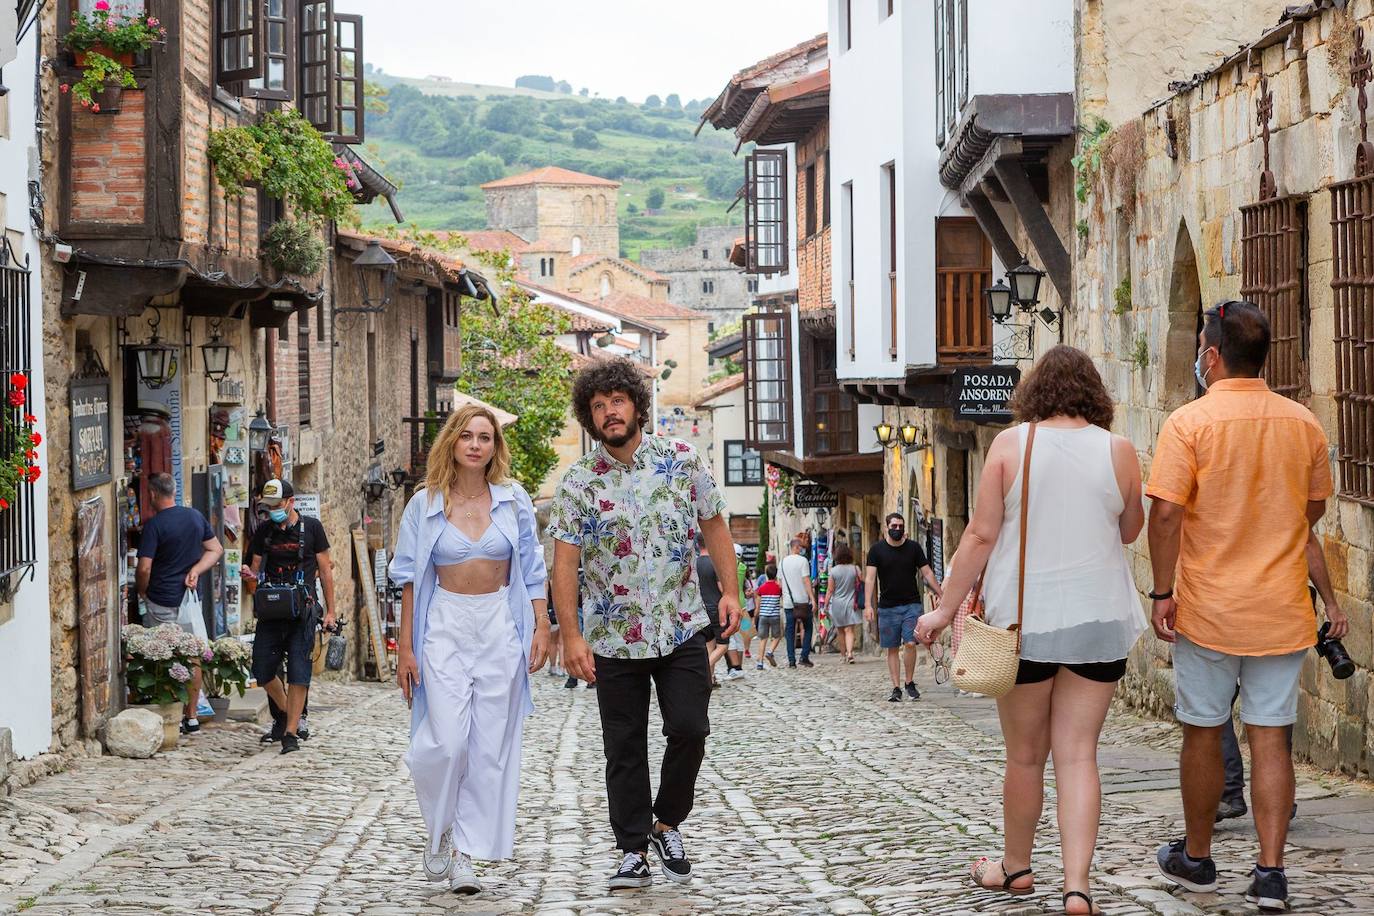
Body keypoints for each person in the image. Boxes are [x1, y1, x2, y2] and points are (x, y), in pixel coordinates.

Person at [917, 345, 1146, 916]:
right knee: (1078, 756)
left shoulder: (1010, 446)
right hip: (1097, 620)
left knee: (1025, 758)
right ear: (1094, 394)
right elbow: (1129, 530)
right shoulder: (1119, 451)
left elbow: (979, 536)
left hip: (1025, 624)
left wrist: (945, 611)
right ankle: (1078, 887)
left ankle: (1015, 868)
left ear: (1034, 393)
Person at [1146, 301, 1336, 913]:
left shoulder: (1188, 424)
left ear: (1211, 355)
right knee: (1272, 737)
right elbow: (1311, 512)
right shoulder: (1303, 424)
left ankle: (1198, 858)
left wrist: (1162, 589)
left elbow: (1168, 512)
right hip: (1280, 607)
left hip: (1209, 606)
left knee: (1202, 729)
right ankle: (1271, 872)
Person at [548, 357, 741, 891]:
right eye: (599, 407)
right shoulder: (579, 484)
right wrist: (572, 635)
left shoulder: (682, 460)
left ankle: (666, 822)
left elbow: (715, 525)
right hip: (613, 636)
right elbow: (565, 563)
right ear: (590, 419)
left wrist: (731, 590)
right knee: (623, 747)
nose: (610, 412)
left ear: (636, 404)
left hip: (680, 626)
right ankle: (632, 847)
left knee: (691, 728)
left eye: (618, 401)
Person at [390, 405, 550, 895]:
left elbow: (532, 568)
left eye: (485, 437)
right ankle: (437, 828)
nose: (476, 444)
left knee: (488, 748)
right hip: (444, 626)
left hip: (499, 624)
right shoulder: (425, 504)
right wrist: (405, 649)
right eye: (467, 436)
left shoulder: (513, 500)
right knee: (446, 742)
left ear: (494, 447)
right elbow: (411, 581)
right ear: (453, 443)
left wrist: (542, 625)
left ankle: (462, 854)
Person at [1218, 533, 1346, 824]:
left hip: (1225, 609)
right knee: (1273, 712)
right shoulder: (1286, 489)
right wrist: (1331, 604)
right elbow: (1308, 541)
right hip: (1279, 610)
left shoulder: (1215, 490)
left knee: (1214, 705)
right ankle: (1278, 799)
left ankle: (1228, 792)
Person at [245, 479, 336, 755]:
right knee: (262, 670)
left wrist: (331, 611)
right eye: (268, 506)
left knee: (299, 673)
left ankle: (291, 733)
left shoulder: (313, 529)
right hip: (272, 612)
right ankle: (286, 712)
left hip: (303, 612)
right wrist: (251, 579)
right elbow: (254, 569)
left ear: (290, 502)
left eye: (276, 505)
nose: (272, 510)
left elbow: (326, 571)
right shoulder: (264, 531)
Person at [135, 472, 222, 734]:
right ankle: (192, 716)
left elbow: (144, 568)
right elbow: (216, 549)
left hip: (162, 599)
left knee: (164, 655)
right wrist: (196, 570)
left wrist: (143, 591)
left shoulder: (154, 526)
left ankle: (170, 715)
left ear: (152, 494)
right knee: (192, 656)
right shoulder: (195, 516)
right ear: (174, 491)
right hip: (189, 600)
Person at [865, 513, 942, 701]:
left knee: (910, 643)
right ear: (886, 527)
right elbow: (870, 578)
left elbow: (927, 572)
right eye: (894, 526)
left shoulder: (914, 548)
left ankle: (909, 682)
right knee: (891, 648)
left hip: (911, 605)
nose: (897, 529)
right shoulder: (876, 551)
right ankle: (896, 687)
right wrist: (868, 604)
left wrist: (941, 594)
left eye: (900, 526)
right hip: (888, 607)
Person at [698, 532, 729, 688]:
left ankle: (710, 679)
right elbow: (722, 588)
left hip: (701, 609)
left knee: (710, 644)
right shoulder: (714, 563)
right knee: (723, 645)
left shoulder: (694, 563)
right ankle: (704, 671)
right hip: (716, 608)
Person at [778, 539, 815, 668]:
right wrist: (812, 598)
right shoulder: (803, 561)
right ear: (797, 547)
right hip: (803, 601)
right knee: (808, 627)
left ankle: (791, 660)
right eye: (801, 547)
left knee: (790, 632)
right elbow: (806, 580)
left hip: (789, 602)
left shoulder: (782, 562)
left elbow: (779, 583)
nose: (802, 549)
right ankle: (804, 656)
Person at [827, 544, 861, 664]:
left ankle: (843, 655)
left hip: (837, 604)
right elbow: (861, 582)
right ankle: (850, 653)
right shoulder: (855, 569)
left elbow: (830, 590)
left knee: (840, 631)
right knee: (850, 630)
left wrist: (825, 604)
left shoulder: (833, 571)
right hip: (851, 602)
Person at [754, 564, 783, 669]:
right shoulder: (778, 588)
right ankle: (770, 652)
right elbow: (780, 596)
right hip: (774, 615)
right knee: (777, 637)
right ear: (776, 575)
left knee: (763, 639)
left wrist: (756, 613)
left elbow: (758, 603)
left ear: (766, 574)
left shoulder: (761, 588)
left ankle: (760, 663)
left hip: (763, 616)